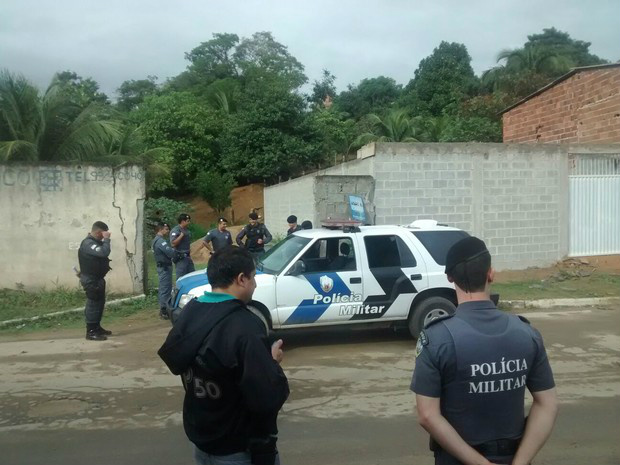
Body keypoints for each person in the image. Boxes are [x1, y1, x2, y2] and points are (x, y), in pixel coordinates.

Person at [411, 236, 558, 465]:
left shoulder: (436, 338)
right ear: (491, 274)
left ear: (450, 278)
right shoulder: (526, 334)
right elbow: (547, 403)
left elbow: (427, 414)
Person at [158, 246, 289, 465]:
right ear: (241, 279)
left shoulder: (192, 309)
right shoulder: (245, 325)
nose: (255, 285)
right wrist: (272, 363)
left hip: (202, 439)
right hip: (237, 448)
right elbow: (267, 397)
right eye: (253, 278)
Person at [78, 221, 112, 341]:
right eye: (103, 234)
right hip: (91, 280)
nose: (104, 237)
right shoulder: (88, 243)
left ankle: (97, 327)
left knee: (99, 303)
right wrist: (107, 240)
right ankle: (91, 331)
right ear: (98, 232)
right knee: (93, 304)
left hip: (97, 279)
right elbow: (104, 252)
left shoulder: (94, 242)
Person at [152, 222, 178, 320]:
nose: (167, 231)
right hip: (164, 268)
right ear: (160, 229)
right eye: (166, 229)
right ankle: (164, 310)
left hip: (163, 267)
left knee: (165, 287)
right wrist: (175, 252)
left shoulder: (156, 240)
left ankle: (164, 308)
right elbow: (170, 252)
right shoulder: (160, 241)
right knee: (165, 288)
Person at [171, 213, 195, 281]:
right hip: (180, 258)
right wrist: (181, 236)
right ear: (182, 221)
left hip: (188, 257)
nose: (189, 222)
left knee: (192, 275)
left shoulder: (187, 230)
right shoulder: (176, 230)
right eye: (187, 221)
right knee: (181, 278)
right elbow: (173, 244)